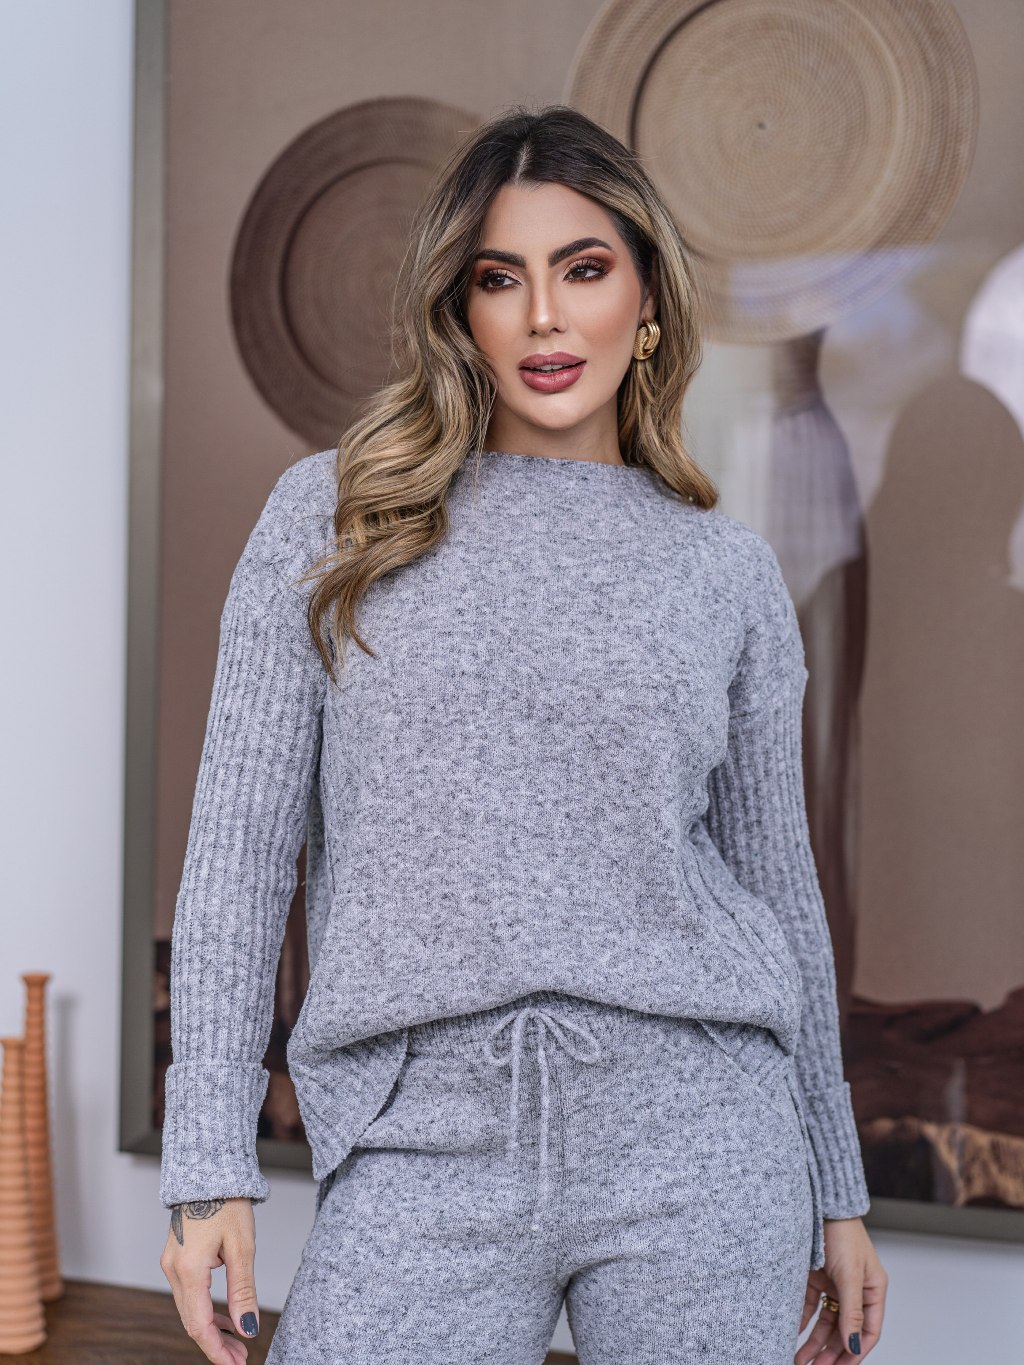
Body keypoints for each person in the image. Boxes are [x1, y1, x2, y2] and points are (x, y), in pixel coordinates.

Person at [158, 103, 887, 1364]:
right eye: (500, 279)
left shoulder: (723, 572)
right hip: (420, 1140)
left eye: (584, 270)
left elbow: (778, 889)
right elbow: (238, 853)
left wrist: (836, 1184)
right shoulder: (332, 521)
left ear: (645, 298)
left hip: (699, 1134)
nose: (544, 317)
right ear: (460, 309)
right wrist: (206, 1163)